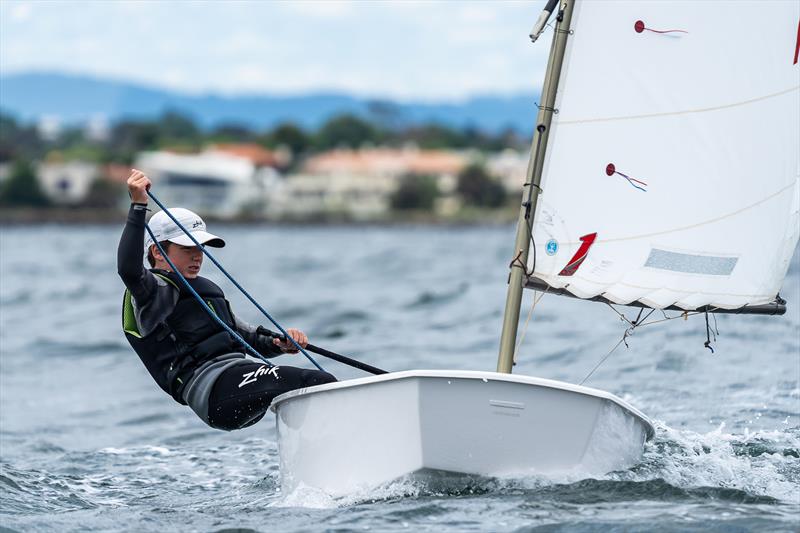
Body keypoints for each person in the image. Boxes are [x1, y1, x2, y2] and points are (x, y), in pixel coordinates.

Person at [117, 169, 336, 430]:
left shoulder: (207, 290)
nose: (198, 256)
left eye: (200, 247)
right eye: (187, 248)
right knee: (317, 382)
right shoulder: (153, 292)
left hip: (238, 378)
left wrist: (280, 344)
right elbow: (128, 270)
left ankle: (312, 457)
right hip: (213, 392)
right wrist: (138, 205)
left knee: (313, 387)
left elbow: (247, 336)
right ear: (158, 251)